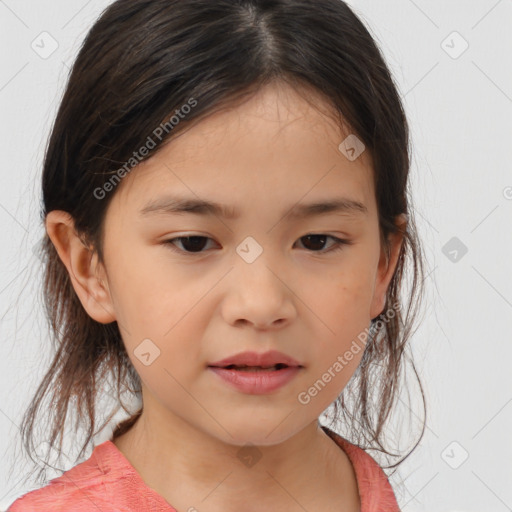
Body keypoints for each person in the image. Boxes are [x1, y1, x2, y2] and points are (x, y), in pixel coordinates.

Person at [7, 0, 427, 510]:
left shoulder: (369, 492)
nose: (261, 303)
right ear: (89, 266)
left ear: (383, 265)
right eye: (193, 242)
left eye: (317, 241)